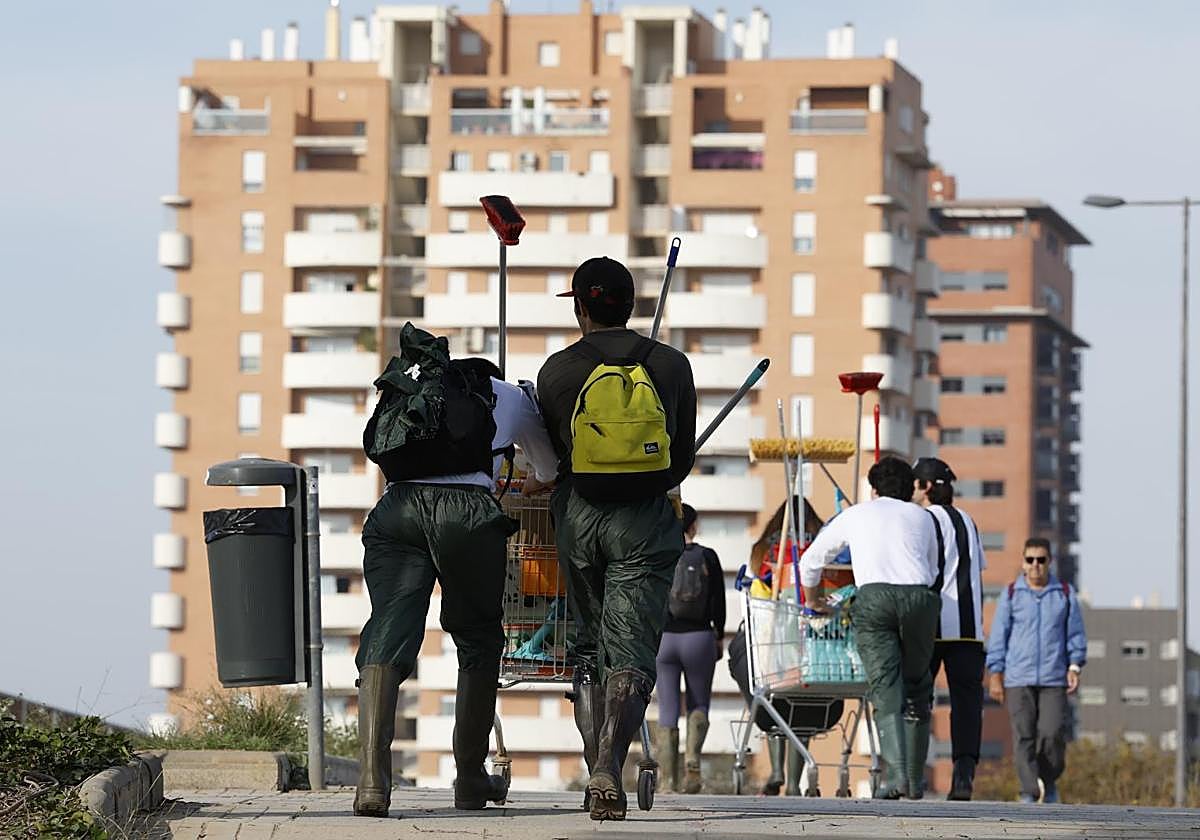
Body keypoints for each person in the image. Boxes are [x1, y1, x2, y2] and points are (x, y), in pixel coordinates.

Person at [353, 325, 558, 817]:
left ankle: (371, 783)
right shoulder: (507, 395)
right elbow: (548, 468)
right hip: (467, 513)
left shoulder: (409, 386)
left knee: (387, 632)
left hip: (397, 508)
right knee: (478, 638)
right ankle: (469, 779)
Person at [533, 256, 697, 821]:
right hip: (644, 523)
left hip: (578, 518)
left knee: (587, 643)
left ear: (580, 306)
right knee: (630, 649)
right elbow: (680, 463)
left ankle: (594, 760)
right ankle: (609, 763)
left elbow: (554, 459)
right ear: (631, 305)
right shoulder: (671, 367)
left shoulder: (557, 372)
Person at [799, 457, 940, 800]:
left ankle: (896, 779)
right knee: (918, 688)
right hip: (921, 599)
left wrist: (816, 600)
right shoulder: (924, 517)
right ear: (910, 490)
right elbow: (934, 568)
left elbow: (810, 561)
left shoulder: (857, 513)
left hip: (874, 599)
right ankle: (915, 779)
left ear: (874, 490)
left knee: (885, 688)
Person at [730, 498, 841, 796]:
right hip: (813, 635)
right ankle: (793, 782)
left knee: (771, 693)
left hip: (773, 635)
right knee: (805, 704)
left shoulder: (763, 549)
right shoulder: (823, 546)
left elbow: (757, 591)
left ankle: (778, 770)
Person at [986, 538, 1087, 804]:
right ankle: (1029, 790)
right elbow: (998, 636)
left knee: (1052, 733)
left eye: (1041, 560)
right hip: (1019, 677)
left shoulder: (1064, 593)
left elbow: (1075, 634)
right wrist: (995, 673)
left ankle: (1049, 780)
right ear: (1023, 562)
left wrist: (1074, 665)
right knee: (1024, 736)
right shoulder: (1011, 594)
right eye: (1030, 560)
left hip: (1054, 677)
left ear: (1049, 562)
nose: (1035, 566)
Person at [913, 457, 987, 801]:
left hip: (930, 625)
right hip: (969, 628)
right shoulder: (968, 521)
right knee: (967, 703)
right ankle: (964, 774)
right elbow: (978, 566)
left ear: (925, 487)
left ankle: (911, 771)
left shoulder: (922, 519)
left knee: (917, 698)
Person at [655, 503, 725, 794]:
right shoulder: (707, 556)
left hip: (664, 640)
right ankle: (693, 766)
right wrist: (718, 635)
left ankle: (666, 781)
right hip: (699, 638)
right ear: (693, 526)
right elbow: (718, 601)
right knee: (699, 703)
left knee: (667, 710)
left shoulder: (658, 554)